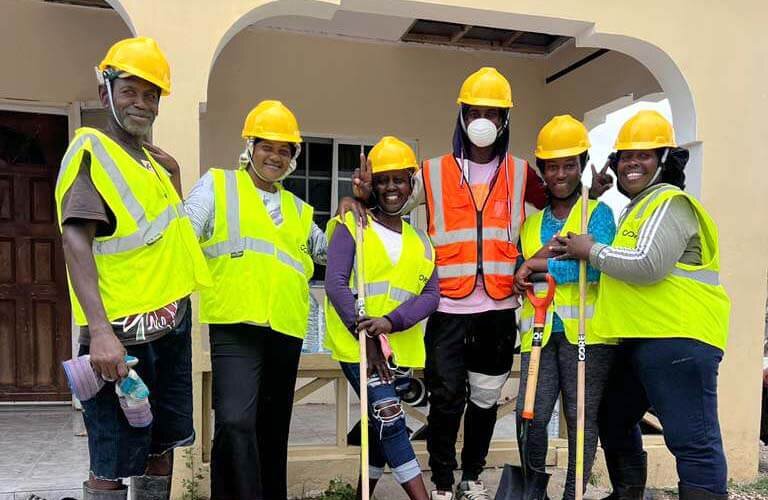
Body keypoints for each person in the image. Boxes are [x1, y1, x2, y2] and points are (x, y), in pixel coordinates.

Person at [54, 37, 211, 500]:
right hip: (123, 336)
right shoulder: (92, 151)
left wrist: (176, 177)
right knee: (112, 455)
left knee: (163, 444)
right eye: (130, 91)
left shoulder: (153, 164)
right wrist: (99, 330)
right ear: (106, 94)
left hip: (171, 326)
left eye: (150, 95)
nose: (141, 103)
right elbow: (75, 238)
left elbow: (170, 237)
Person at [555, 110, 731, 499]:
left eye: (644, 156)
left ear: (664, 160)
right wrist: (597, 194)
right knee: (614, 418)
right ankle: (629, 494)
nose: (632, 163)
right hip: (639, 341)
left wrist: (590, 250)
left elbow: (648, 264)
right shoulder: (637, 210)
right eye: (625, 157)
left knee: (692, 439)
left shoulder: (671, 203)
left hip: (679, 338)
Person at [183, 100, 329, 500]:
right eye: (268, 146)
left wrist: (355, 210)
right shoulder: (217, 185)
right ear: (250, 146)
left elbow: (330, 252)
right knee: (234, 420)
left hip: (285, 327)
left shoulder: (299, 211)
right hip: (235, 323)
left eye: (286, 150)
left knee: (271, 428)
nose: (275, 156)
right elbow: (185, 235)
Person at [324, 136, 439, 500]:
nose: (391, 187)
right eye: (383, 179)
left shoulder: (422, 241)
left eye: (399, 179)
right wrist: (368, 336)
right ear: (370, 184)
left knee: (378, 427)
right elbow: (335, 283)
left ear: (412, 183)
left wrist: (391, 322)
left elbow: (431, 295)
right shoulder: (353, 223)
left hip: (398, 350)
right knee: (390, 418)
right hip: (357, 347)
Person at [512, 115, 616, 498]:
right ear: (542, 171)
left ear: (582, 165)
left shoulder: (597, 214)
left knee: (580, 421)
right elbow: (532, 274)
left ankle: (574, 493)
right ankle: (533, 490)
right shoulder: (531, 223)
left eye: (569, 165)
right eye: (552, 166)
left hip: (585, 337)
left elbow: (591, 271)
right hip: (537, 335)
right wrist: (528, 270)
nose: (560, 174)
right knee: (531, 417)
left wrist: (537, 264)